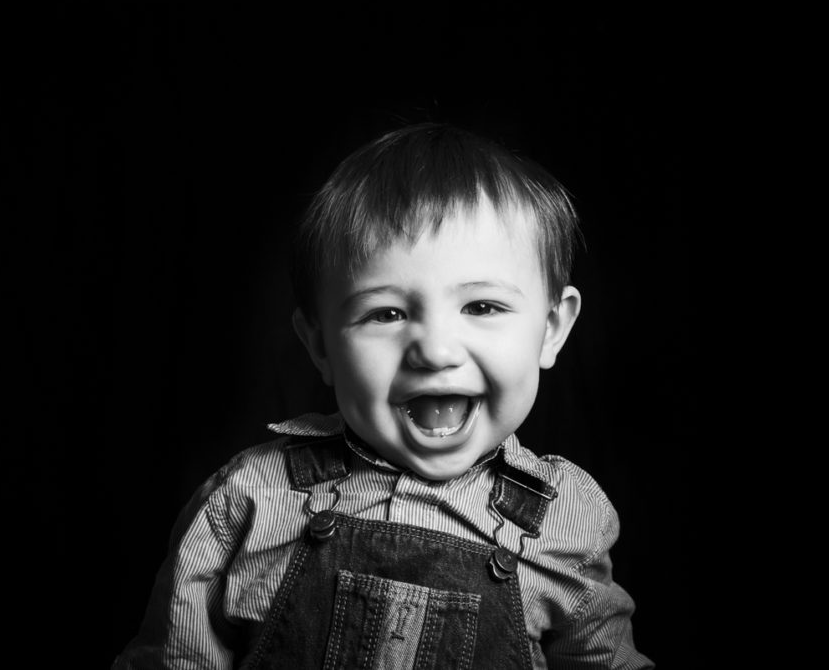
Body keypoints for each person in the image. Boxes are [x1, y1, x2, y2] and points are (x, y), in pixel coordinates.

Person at [114, 123, 654, 669]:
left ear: (551, 328)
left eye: (482, 307)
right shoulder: (249, 500)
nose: (437, 351)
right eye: (386, 313)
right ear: (321, 346)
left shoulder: (565, 518)